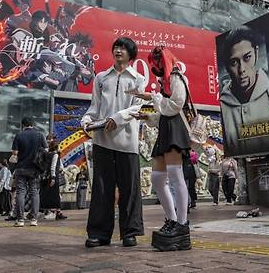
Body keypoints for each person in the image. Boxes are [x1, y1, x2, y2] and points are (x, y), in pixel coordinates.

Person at [81, 37, 146, 248]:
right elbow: (95, 107)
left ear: (131, 54)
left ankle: (130, 232)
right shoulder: (101, 78)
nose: (118, 51)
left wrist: (116, 119)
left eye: (123, 48)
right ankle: (99, 234)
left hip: (128, 142)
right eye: (116, 47)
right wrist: (87, 121)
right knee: (101, 189)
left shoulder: (138, 79)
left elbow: (137, 108)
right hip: (103, 141)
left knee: (130, 188)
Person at [131, 46, 192, 251]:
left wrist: (154, 98)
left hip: (175, 130)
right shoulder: (166, 81)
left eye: (156, 62)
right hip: (166, 129)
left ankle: (182, 225)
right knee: (158, 178)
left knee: (175, 175)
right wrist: (147, 116)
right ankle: (172, 220)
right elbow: (164, 113)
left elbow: (175, 106)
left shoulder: (176, 77)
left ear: (163, 61)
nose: (154, 67)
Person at [219, 27, 269, 151]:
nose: (242, 69)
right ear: (227, 66)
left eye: (247, 58)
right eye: (234, 62)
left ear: (256, 53)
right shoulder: (223, 103)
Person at [11, 117, 47, 227]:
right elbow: (45, 150)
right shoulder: (40, 135)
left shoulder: (19, 135)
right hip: (35, 169)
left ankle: (20, 220)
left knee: (20, 193)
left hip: (21, 168)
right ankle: (34, 219)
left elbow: (15, 152)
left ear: (23, 125)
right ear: (33, 124)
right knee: (34, 193)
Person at [41, 134, 66, 220]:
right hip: (53, 175)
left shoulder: (51, 153)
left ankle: (57, 212)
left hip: (52, 175)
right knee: (54, 195)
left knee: (55, 195)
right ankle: (53, 212)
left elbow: (57, 163)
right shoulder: (51, 153)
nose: (49, 141)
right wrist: (53, 177)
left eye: (50, 140)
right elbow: (53, 165)